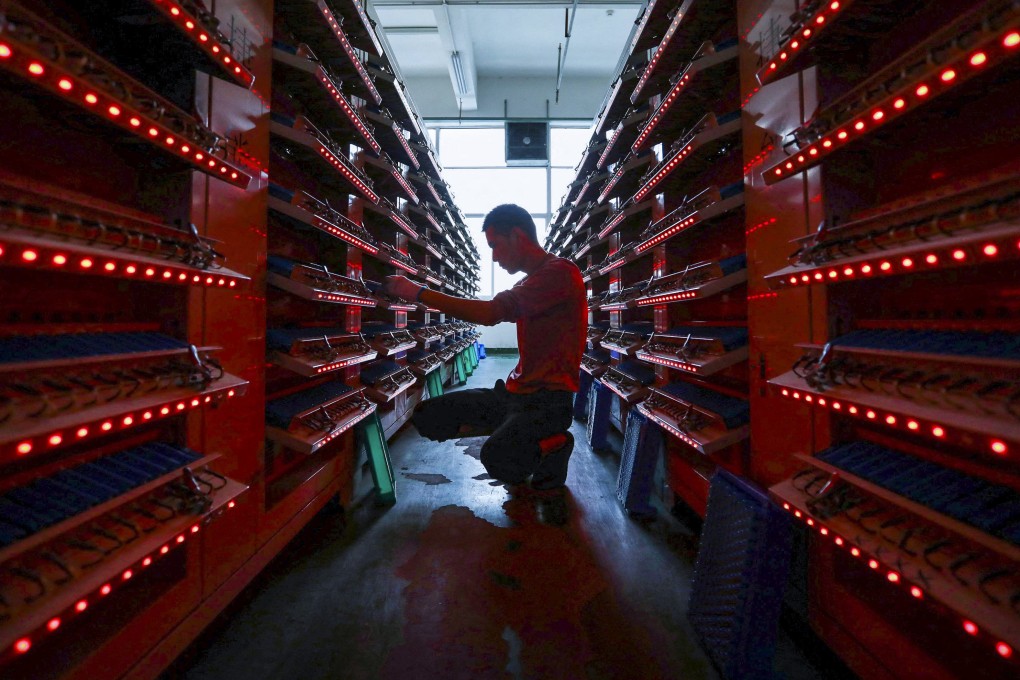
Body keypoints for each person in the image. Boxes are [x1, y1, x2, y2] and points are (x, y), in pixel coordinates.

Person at [383, 203, 587, 490]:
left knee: (499, 459)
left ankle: (555, 443)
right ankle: (513, 432)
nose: (493, 257)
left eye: (496, 245)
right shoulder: (530, 282)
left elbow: (490, 314)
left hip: (548, 401)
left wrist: (416, 291)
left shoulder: (560, 273)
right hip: (514, 395)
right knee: (428, 416)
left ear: (517, 236)